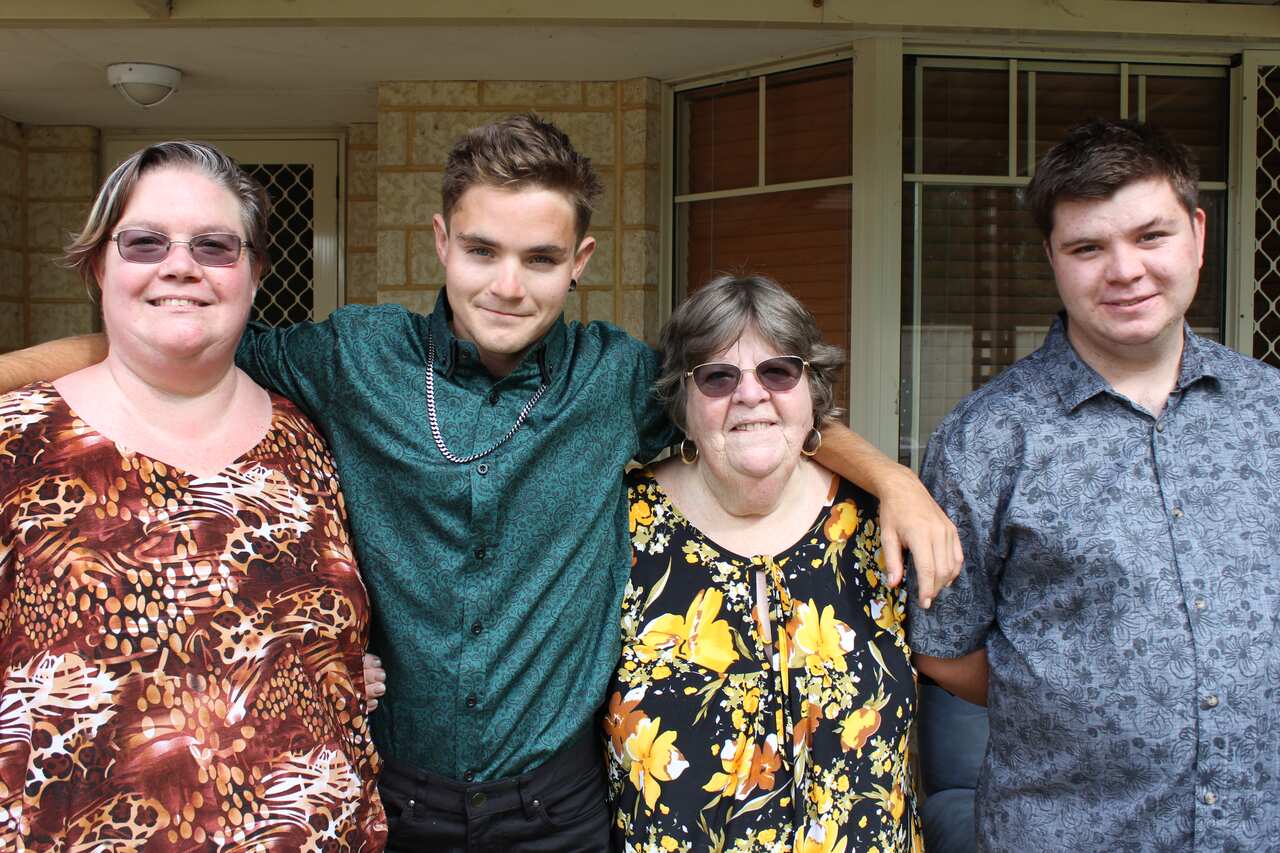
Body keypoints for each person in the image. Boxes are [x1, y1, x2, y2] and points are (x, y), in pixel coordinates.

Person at [0, 114, 959, 852]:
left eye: (541, 258)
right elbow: (174, 334)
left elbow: (758, 410)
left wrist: (896, 481)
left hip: (560, 805)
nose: (509, 284)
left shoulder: (617, 379)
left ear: (579, 263)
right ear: (441, 241)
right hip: (397, 797)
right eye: (482, 251)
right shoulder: (354, 357)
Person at [908, 118, 1280, 851]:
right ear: (1052, 257)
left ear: (1198, 235)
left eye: (1151, 236)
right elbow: (944, 647)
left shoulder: (1271, 411)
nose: (1125, 270)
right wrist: (1077, 700)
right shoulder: (987, 438)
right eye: (1088, 247)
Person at [0, 142, 384, 848]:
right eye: (145, 242)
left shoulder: (307, 442)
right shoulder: (17, 443)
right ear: (98, 264)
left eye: (215, 245)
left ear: (254, 273)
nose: (181, 265)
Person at [604, 275, 922, 852]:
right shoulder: (617, 527)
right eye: (718, 377)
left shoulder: (880, 523)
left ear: (811, 391)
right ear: (683, 402)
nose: (750, 394)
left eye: (778, 371)